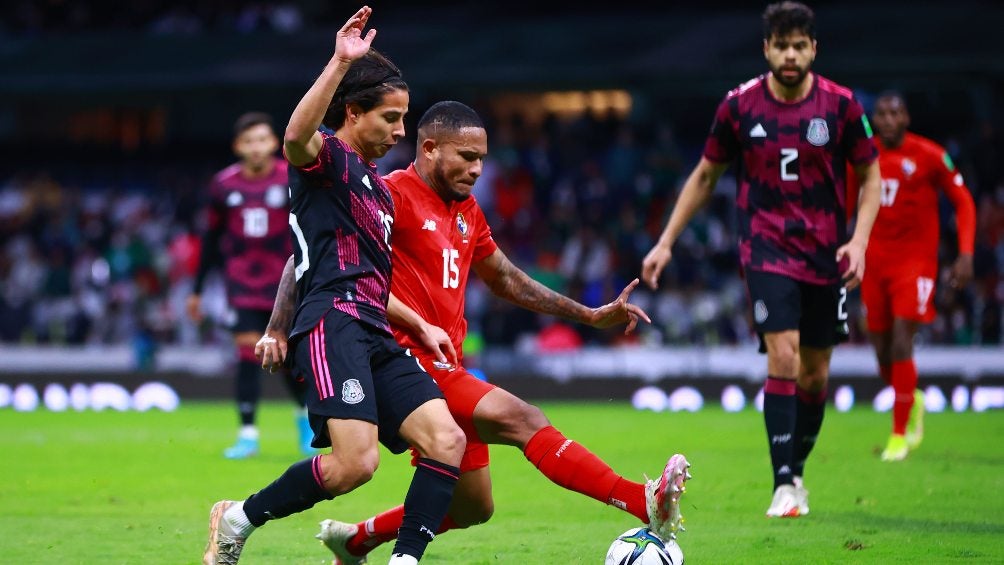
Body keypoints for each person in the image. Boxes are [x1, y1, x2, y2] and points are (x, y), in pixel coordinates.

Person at [257, 101, 691, 564]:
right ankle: (640, 499)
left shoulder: (467, 212)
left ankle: (356, 540)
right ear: (428, 149)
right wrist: (277, 328)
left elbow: (503, 277)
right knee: (524, 419)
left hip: (449, 362)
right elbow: (306, 259)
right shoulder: (390, 195)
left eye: (482, 158)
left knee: (472, 506)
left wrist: (586, 315)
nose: (478, 169)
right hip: (404, 356)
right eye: (466, 156)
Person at [203, 7, 465, 565]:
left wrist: (418, 323)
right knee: (355, 465)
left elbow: (315, 258)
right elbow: (295, 137)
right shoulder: (328, 157)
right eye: (391, 118)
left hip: (375, 326)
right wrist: (339, 60)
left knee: (447, 439)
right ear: (353, 112)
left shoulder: (374, 186)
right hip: (334, 322)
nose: (400, 131)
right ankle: (237, 518)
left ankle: (404, 559)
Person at [641, 1, 881, 518]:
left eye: (800, 45)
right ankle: (784, 482)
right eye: (781, 45)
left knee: (815, 375)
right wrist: (665, 242)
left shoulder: (842, 107)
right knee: (785, 358)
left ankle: (795, 470)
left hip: (826, 252)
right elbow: (705, 175)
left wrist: (859, 241)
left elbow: (871, 179)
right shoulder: (738, 106)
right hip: (766, 248)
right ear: (766, 49)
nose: (790, 55)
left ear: (813, 49)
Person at [852, 92, 976, 461]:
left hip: (915, 264)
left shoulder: (931, 155)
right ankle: (911, 398)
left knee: (903, 340)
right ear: (874, 119)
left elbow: (964, 201)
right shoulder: (862, 156)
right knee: (882, 353)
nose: (888, 120)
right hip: (873, 262)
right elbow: (842, 201)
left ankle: (897, 436)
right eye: (881, 114)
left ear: (906, 116)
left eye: (895, 113)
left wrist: (965, 254)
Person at [187, 111, 313, 459]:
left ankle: (304, 422)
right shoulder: (223, 185)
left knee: (286, 355)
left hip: (285, 285)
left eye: (262, 140)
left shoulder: (291, 177)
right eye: (249, 141)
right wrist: (197, 289)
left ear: (274, 143)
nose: (256, 147)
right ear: (238, 146)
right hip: (241, 285)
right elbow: (211, 239)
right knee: (247, 355)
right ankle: (247, 434)